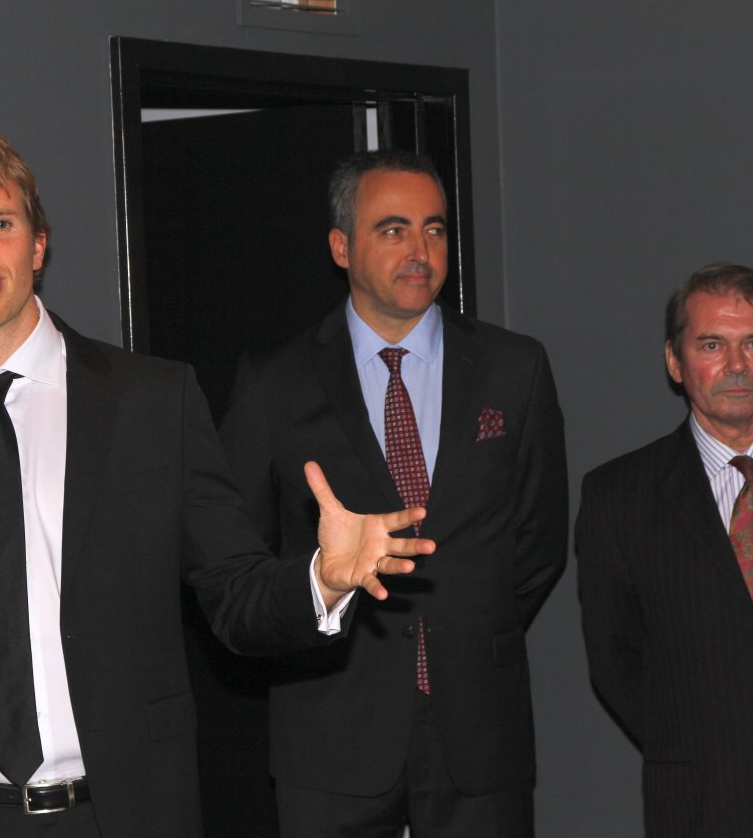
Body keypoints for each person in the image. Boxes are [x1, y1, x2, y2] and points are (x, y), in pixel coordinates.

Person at [0, 128, 433, 838]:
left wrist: (322, 580)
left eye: (0, 224)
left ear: (38, 246)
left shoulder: (151, 400)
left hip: (115, 810)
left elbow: (234, 591)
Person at [218, 149, 567, 837]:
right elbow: (237, 570)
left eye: (434, 229)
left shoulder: (514, 367)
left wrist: (463, 628)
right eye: (393, 229)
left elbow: (538, 542)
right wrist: (324, 596)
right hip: (331, 729)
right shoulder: (274, 384)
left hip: (480, 726)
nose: (420, 251)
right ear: (340, 247)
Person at [576, 263, 753, 837]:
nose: (736, 365)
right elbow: (614, 659)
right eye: (712, 344)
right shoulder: (618, 496)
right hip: (698, 800)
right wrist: (691, 741)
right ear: (675, 361)